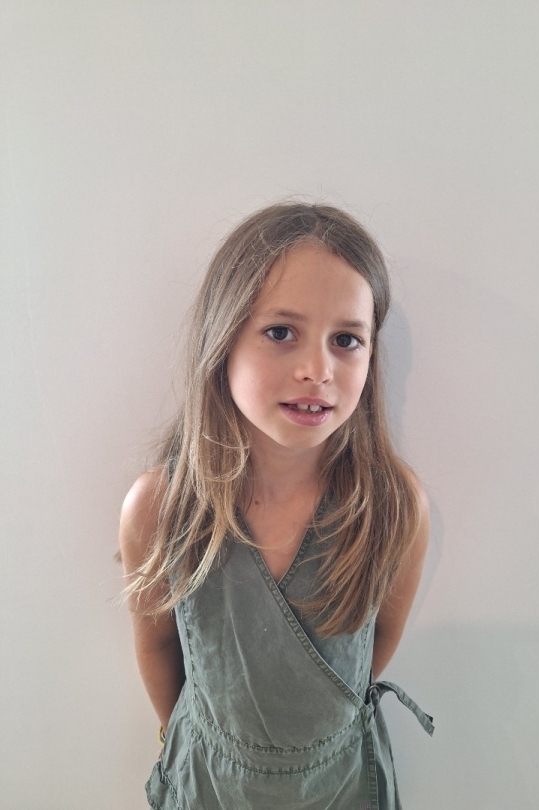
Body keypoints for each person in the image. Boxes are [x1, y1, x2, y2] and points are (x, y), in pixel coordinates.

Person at [119, 201, 434, 810]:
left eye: (346, 340)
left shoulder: (393, 507)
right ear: (223, 338)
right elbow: (157, 646)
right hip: (210, 785)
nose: (317, 370)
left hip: (342, 786)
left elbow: (374, 649)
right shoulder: (160, 507)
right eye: (281, 332)